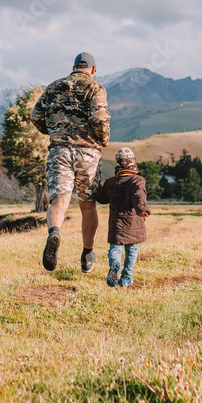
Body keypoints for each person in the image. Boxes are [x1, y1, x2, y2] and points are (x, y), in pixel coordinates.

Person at [30, 51, 110, 273]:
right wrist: (103, 140)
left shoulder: (54, 86)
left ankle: (54, 232)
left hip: (59, 151)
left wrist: (55, 131)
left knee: (59, 202)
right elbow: (100, 118)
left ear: (74, 67)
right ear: (92, 69)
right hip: (88, 153)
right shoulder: (96, 88)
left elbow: (35, 115)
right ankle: (87, 254)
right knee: (88, 204)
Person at [94, 147, 150, 287]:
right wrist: (142, 208)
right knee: (132, 251)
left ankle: (114, 266)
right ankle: (126, 278)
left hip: (116, 224)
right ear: (133, 162)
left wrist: (97, 185)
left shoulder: (111, 182)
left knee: (115, 249)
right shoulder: (137, 180)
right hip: (133, 223)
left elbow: (102, 198)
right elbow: (138, 195)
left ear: (117, 163)